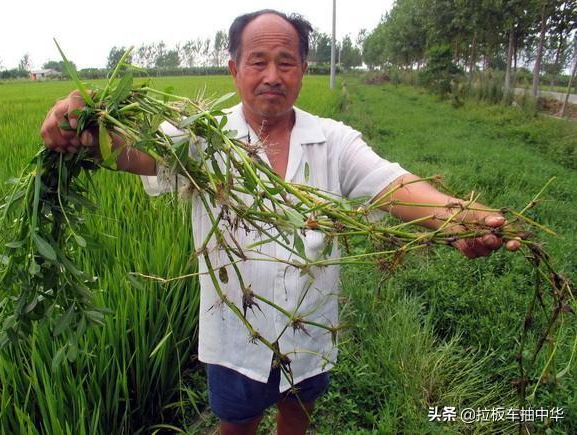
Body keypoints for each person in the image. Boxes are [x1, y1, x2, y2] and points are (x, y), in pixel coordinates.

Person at [41, 9, 520, 435]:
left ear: (303, 71)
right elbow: (132, 150)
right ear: (234, 70)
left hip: (310, 327)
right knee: (237, 421)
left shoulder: (334, 141)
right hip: (234, 333)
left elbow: (392, 184)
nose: (272, 75)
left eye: (286, 62)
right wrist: (82, 124)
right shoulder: (201, 138)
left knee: (299, 412)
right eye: (258, 61)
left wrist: (458, 217)